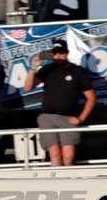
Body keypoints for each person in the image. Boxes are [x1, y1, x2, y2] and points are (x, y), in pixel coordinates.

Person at [27, 40, 95, 168]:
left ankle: (71, 183)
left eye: (61, 53)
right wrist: (33, 67)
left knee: (68, 156)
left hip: (68, 117)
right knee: (55, 153)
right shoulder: (47, 69)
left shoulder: (78, 71)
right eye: (55, 54)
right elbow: (28, 87)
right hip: (47, 117)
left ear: (67, 53)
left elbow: (91, 98)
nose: (58, 56)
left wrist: (81, 118)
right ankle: (57, 182)